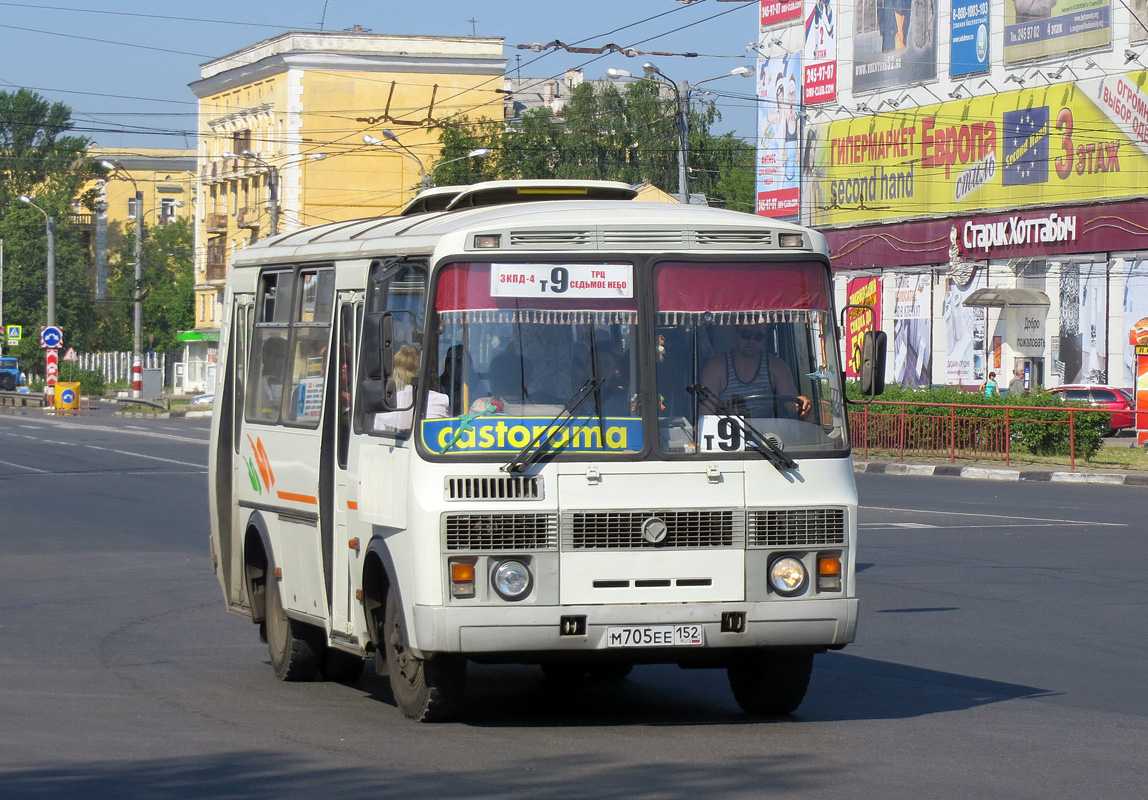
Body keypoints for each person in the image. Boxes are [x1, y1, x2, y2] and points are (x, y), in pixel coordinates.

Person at [700, 323, 811, 418]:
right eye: (746, 334)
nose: (752, 340)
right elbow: (706, 414)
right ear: (735, 334)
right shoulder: (716, 367)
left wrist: (801, 406)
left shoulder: (777, 366)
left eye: (758, 336)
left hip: (769, 438)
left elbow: (791, 402)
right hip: (728, 437)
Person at [372, 344, 449, 432]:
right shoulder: (440, 400)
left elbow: (379, 432)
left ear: (395, 371)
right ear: (423, 372)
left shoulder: (386, 404)